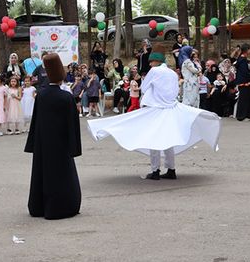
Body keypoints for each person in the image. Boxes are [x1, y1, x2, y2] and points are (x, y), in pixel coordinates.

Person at [87, 44, 221, 181]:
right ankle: (171, 169)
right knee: (168, 140)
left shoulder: (154, 72)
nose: (150, 64)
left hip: (156, 109)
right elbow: (175, 91)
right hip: (170, 109)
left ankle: (155, 170)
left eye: (151, 61)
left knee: (154, 140)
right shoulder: (172, 73)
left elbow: (144, 88)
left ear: (156, 61)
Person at [24, 53, 82, 220]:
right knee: (61, 176)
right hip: (61, 145)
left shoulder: (41, 96)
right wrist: (74, 148)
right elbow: (72, 125)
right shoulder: (66, 97)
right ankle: (60, 207)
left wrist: (34, 144)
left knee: (42, 174)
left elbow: (36, 122)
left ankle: (39, 206)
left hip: (43, 145)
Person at [234, 43, 250, 121]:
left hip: (245, 81)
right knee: (244, 99)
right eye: (249, 49)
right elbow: (244, 72)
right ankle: (241, 116)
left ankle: (249, 115)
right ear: (246, 50)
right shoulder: (242, 60)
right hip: (244, 82)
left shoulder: (242, 59)